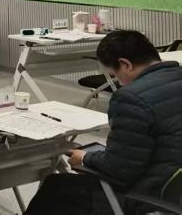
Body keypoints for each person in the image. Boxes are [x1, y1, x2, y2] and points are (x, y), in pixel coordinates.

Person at [26, 30, 182, 215]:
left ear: (125, 64)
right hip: (172, 184)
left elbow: (119, 170)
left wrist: (85, 158)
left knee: (56, 186)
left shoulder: (131, 98)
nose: (119, 82)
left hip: (150, 196)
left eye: (115, 75)